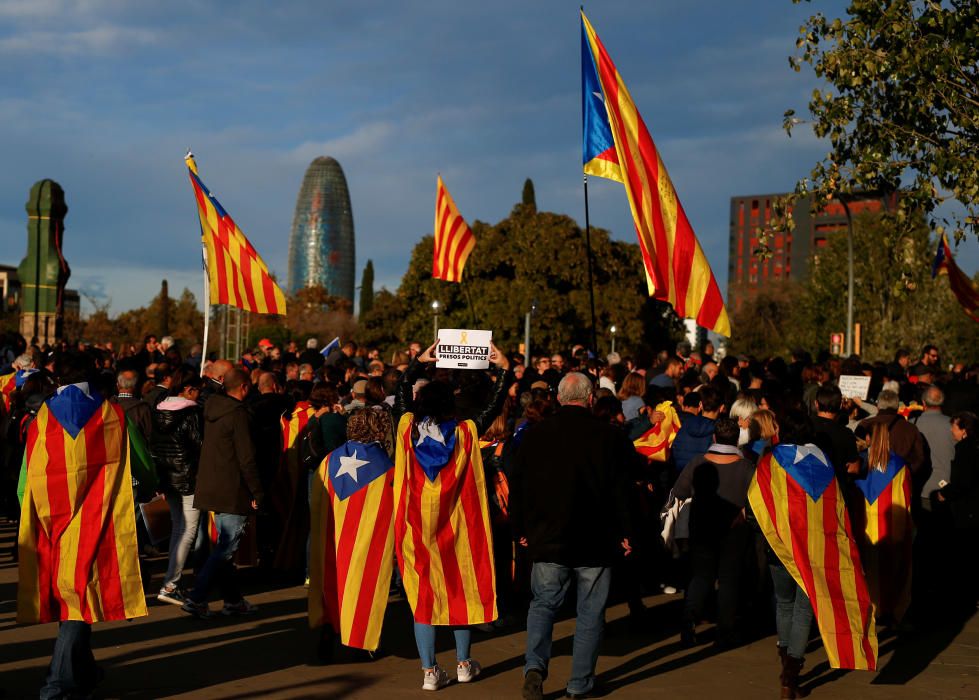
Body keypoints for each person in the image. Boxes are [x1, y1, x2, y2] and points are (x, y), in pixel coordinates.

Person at [17, 351, 149, 698]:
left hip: (51, 525)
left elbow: (23, 482)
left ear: (56, 377)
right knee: (79, 599)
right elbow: (144, 467)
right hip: (98, 521)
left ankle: (83, 671)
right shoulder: (114, 416)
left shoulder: (40, 420)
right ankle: (57, 685)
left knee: (74, 598)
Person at [392, 340, 508, 691]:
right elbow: (494, 405)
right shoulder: (466, 432)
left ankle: (429, 672)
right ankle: (462, 664)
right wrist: (503, 369)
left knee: (423, 598)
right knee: (459, 591)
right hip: (456, 527)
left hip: (416, 527)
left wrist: (417, 364)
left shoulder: (406, 428)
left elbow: (399, 393)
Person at [511, 372, 634, 700]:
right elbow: (623, 491)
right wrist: (627, 531)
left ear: (560, 398)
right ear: (590, 398)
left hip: (548, 535)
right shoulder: (610, 436)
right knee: (591, 612)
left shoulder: (535, 435)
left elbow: (519, 485)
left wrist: (520, 527)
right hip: (596, 537)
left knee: (543, 605)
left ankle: (534, 667)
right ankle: (580, 682)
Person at [183, 368, 264, 618]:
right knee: (225, 549)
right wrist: (257, 491)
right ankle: (196, 598)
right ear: (244, 388)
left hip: (211, 485)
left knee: (223, 549)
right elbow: (247, 457)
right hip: (231, 488)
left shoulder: (211, 409)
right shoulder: (237, 414)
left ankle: (233, 601)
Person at [673, 418, 754, 648]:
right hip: (735, 529)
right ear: (737, 439)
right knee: (729, 580)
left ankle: (688, 625)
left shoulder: (698, 462)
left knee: (701, 577)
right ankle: (725, 632)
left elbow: (679, 491)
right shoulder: (746, 467)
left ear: (714, 437)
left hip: (701, 527)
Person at [151, 373, 204, 605]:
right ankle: (171, 584)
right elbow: (199, 444)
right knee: (188, 531)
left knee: (178, 528)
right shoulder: (191, 413)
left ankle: (171, 582)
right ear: (189, 390)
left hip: (167, 477)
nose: (200, 394)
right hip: (188, 477)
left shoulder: (158, 410)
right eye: (198, 390)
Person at [937, 411, 979, 613]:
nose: (951, 431)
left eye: (954, 427)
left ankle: (967, 597)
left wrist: (944, 494)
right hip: (973, 508)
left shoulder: (966, 450)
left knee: (966, 554)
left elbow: (963, 481)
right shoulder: (973, 446)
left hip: (968, 510)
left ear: (964, 430)